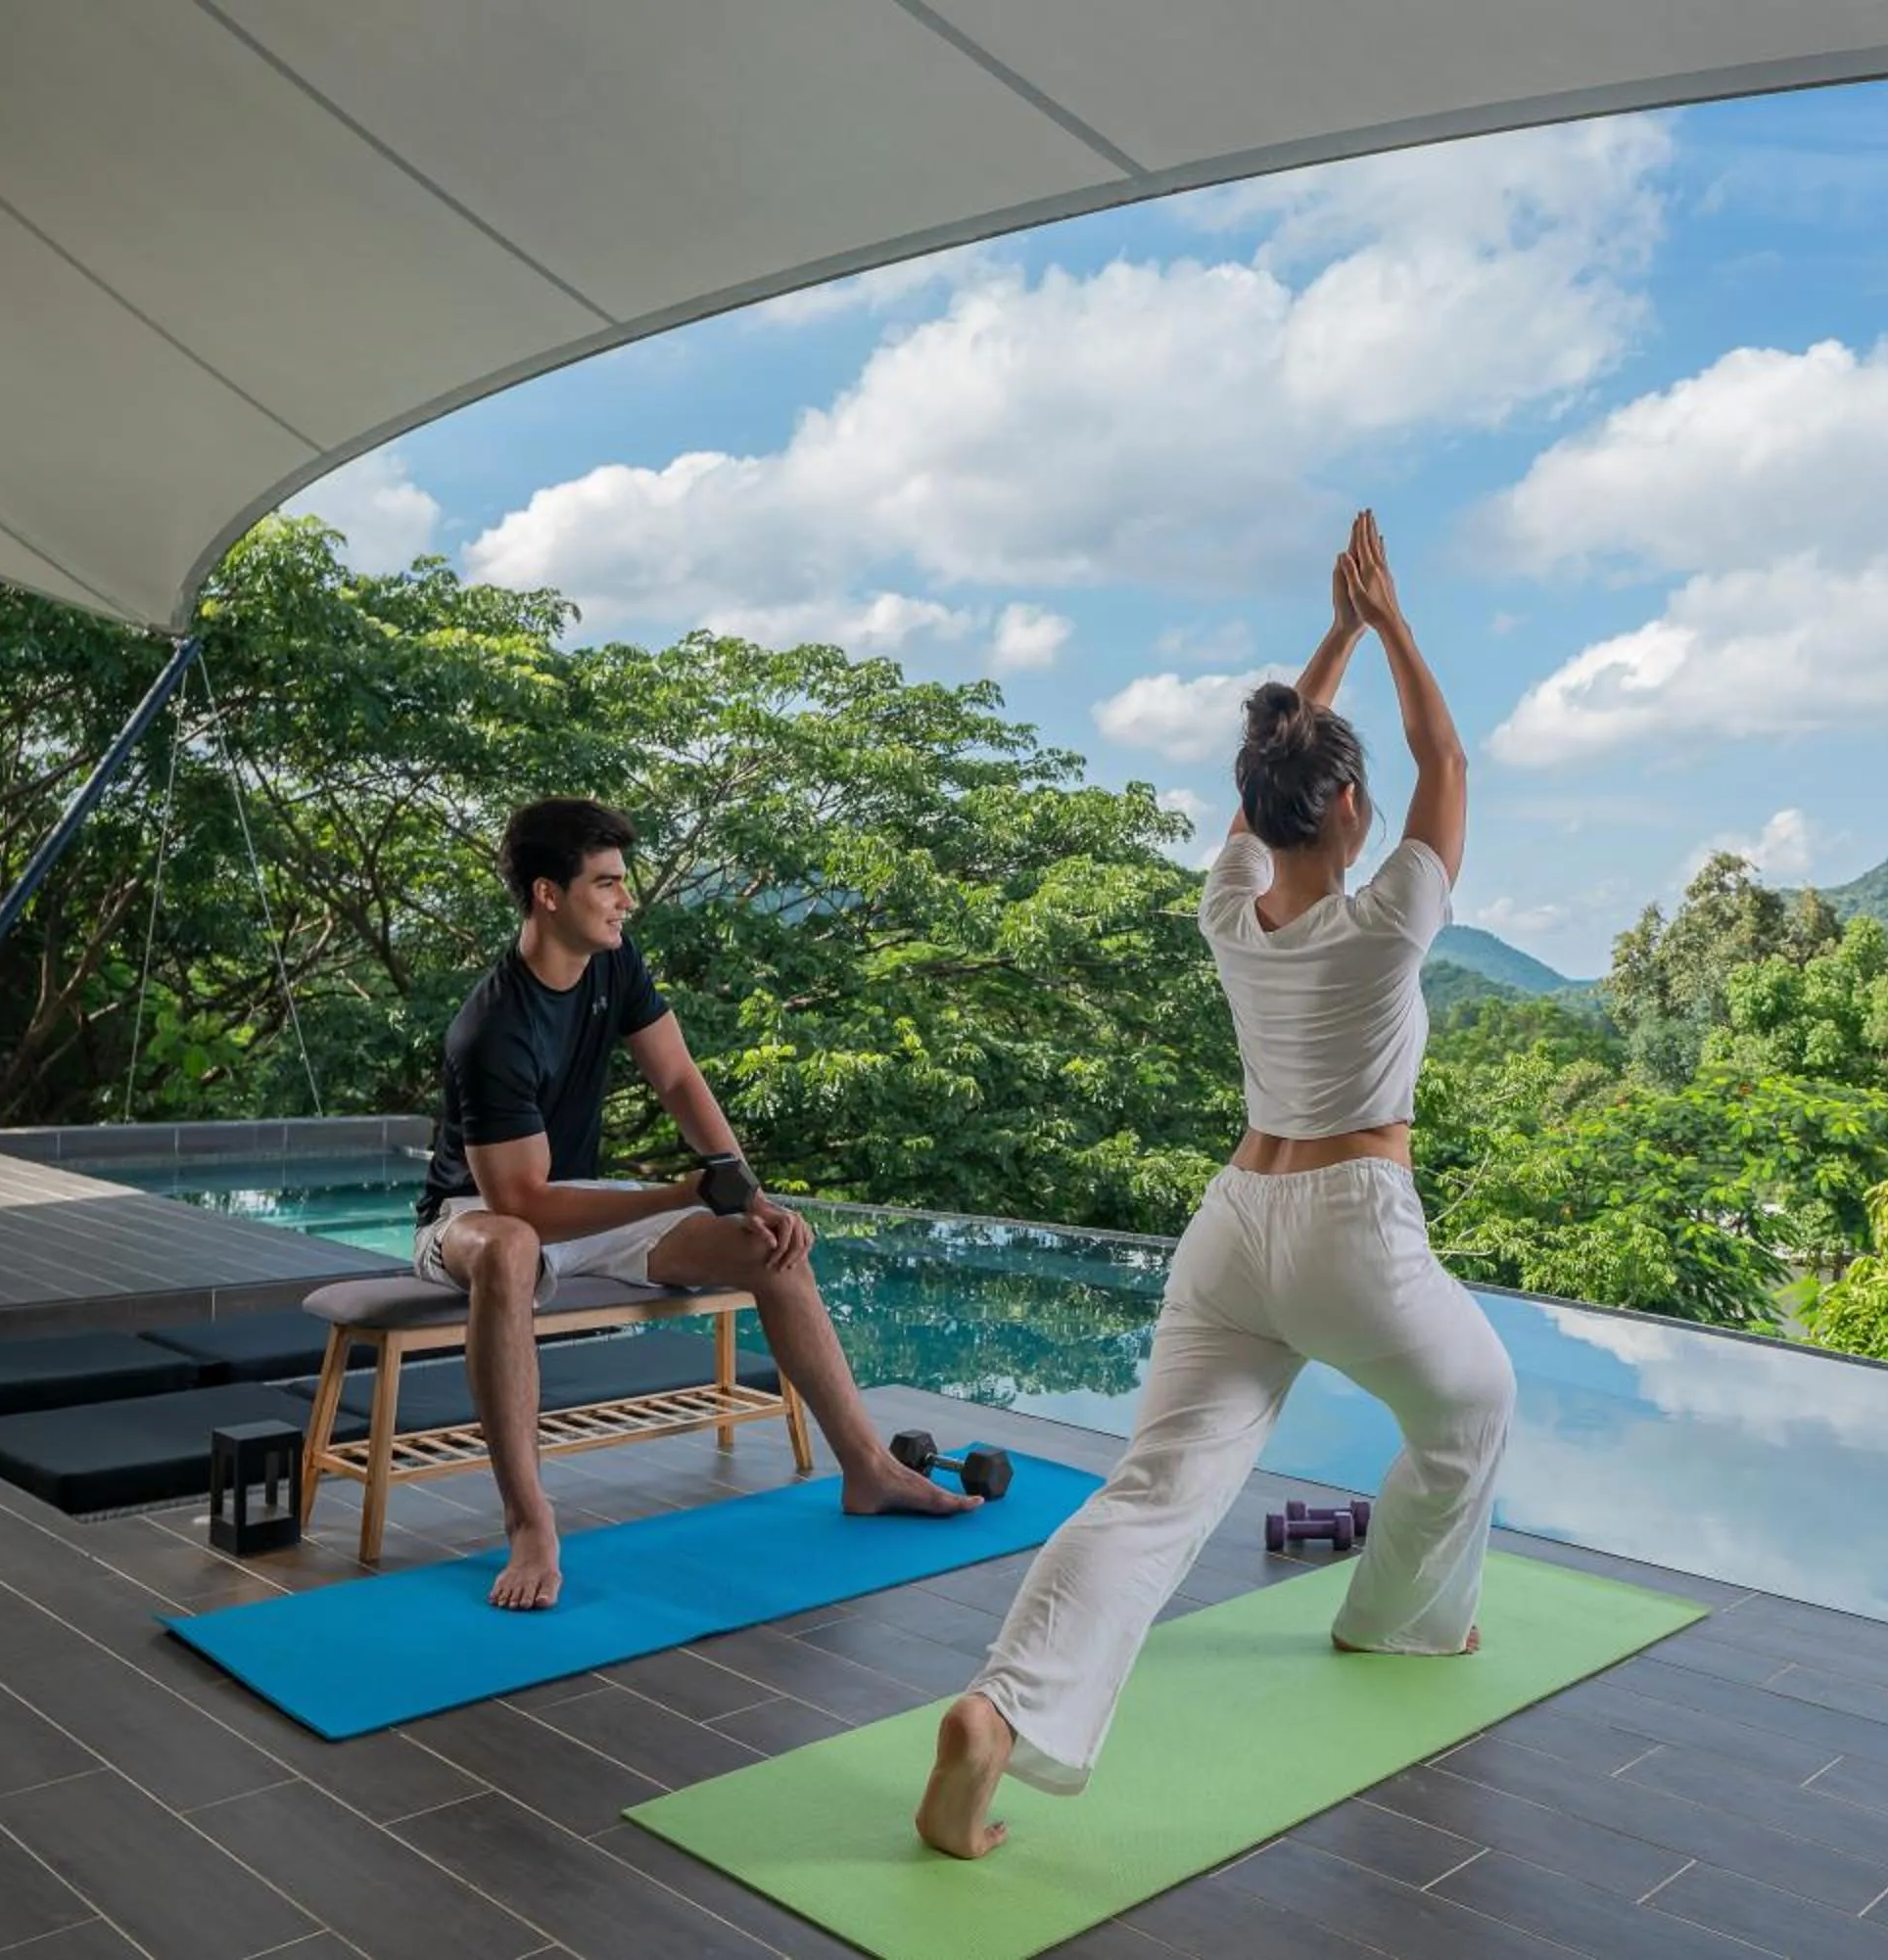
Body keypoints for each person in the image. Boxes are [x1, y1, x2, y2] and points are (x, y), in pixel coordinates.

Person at [917, 511, 1517, 1857]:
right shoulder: (1389, 917)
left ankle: (999, 1714)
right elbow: (1448, 753)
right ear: (1350, 809)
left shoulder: (1231, 909)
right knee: (1473, 1403)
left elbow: (1293, 768)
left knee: (1155, 1489)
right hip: (1352, 1230)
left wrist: (1340, 636)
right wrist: (1392, 619)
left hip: (1233, 1225)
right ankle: (1404, 1617)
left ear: (1254, 814)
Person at [416, 797, 977, 1611]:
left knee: (767, 1246)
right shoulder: (492, 1027)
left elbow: (678, 1078)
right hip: (472, 1217)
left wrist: (745, 1194)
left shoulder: (611, 961)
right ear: (548, 894)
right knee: (509, 1248)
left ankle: (868, 1469)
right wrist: (685, 1190)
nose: (625, 899)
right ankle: (530, 1523)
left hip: (572, 1202)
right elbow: (523, 1204)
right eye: (606, 884)